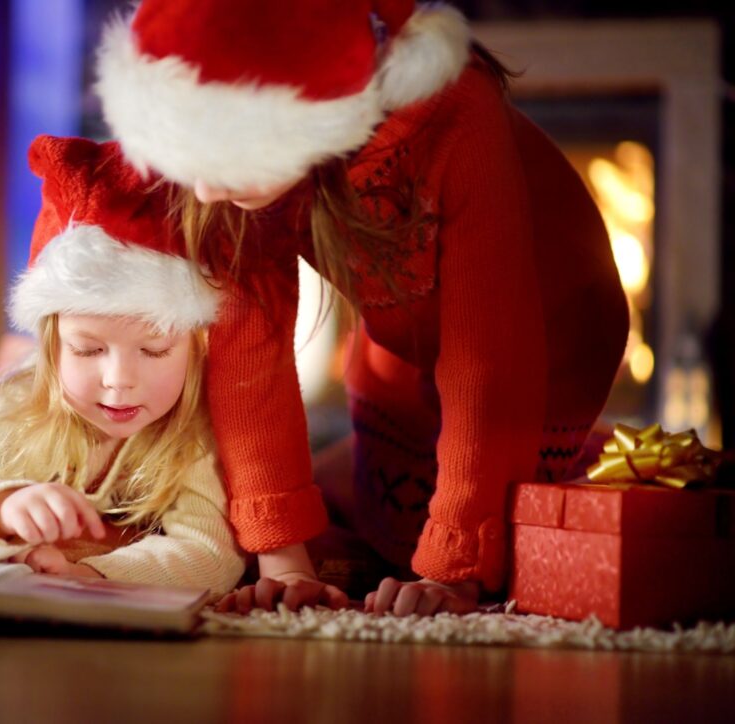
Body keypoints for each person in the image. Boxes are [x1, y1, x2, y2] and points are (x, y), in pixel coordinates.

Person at [94, 0, 629, 615]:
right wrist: (283, 560)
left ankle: (601, 474)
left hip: (548, 340)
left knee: (485, 557)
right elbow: (248, 359)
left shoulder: (455, 113)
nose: (210, 190)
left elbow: (491, 357)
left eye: (229, 160)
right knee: (380, 543)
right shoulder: (218, 176)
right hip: (395, 341)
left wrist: (455, 569)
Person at [0, 136, 245, 600]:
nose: (119, 380)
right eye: (87, 350)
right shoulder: (14, 407)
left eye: (154, 350)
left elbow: (212, 554)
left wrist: (93, 574)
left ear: (195, 346)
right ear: (50, 348)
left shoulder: (196, 423)